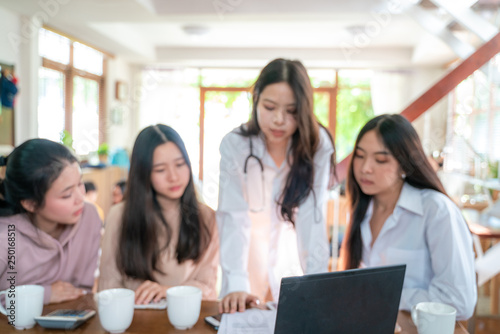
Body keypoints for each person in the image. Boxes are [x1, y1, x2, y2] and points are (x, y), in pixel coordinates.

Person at [217, 58, 335, 313]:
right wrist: (237, 280)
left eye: (291, 111)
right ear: (256, 99)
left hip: (292, 256)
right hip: (245, 258)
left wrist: (315, 281)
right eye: (269, 107)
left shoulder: (318, 145)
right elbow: (234, 217)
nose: (279, 120)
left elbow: (313, 217)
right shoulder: (235, 145)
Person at [338, 114, 477, 320]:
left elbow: (459, 301)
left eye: (380, 159)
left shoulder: (436, 211)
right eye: (359, 155)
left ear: (404, 165)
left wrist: (385, 296)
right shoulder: (363, 207)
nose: (365, 168)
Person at [99, 124, 219, 303]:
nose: (174, 177)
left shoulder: (206, 217)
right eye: (160, 170)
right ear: (143, 174)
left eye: (180, 164)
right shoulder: (119, 216)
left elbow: (207, 287)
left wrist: (167, 291)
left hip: (185, 318)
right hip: (133, 320)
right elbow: (109, 285)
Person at [0, 139, 102, 304]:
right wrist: (43, 295)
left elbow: (83, 291)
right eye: (66, 194)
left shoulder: (89, 217)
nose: (80, 198)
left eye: (80, 183)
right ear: (30, 204)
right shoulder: (5, 238)